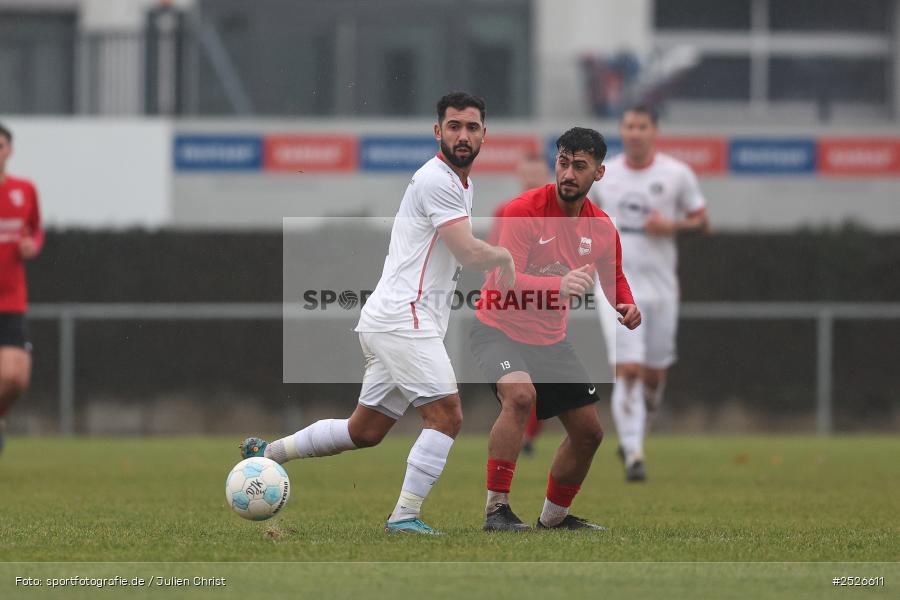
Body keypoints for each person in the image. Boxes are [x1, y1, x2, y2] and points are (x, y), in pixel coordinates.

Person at [240, 92, 515, 535]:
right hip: (404, 319)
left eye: (471, 127)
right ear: (437, 132)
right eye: (454, 126)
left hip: (392, 319)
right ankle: (404, 516)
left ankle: (269, 453)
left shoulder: (460, 183)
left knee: (364, 431)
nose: (463, 135)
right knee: (447, 416)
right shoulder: (438, 180)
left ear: (485, 133)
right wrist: (502, 256)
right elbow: (466, 250)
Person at [471, 127, 640, 531]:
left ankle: (553, 519)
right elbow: (504, 280)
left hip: (550, 340)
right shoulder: (522, 210)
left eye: (579, 166)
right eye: (563, 163)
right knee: (520, 396)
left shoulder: (601, 226)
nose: (568, 173)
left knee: (589, 434)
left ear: (598, 173)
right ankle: (497, 511)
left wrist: (626, 304)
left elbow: (614, 277)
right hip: (498, 328)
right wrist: (558, 285)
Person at [588, 105, 709, 482]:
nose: (635, 132)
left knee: (654, 376)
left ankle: (639, 428)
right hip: (615, 285)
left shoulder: (676, 174)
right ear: (621, 130)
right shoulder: (605, 176)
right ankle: (633, 452)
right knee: (628, 369)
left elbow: (702, 222)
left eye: (642, 126)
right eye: (629, 126)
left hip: (661, 289)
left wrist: (671, 226)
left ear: (654, 131)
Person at [0, 123, 44, 454]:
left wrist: (33, 245)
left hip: (11, 298)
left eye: (0, 145)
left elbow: (36, 230)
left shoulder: (24, 190)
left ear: (9, 150)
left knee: (16, 377)